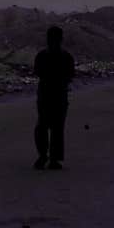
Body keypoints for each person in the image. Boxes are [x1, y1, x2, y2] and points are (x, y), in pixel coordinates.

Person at [33, 26, 75, 170]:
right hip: (58, 96)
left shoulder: (42, 56)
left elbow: (37, 72)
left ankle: (44, 156)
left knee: (43, 127)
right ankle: (53, 159)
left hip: (45, 96)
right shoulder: (66, 57)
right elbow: (70, 76)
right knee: (56, 128)